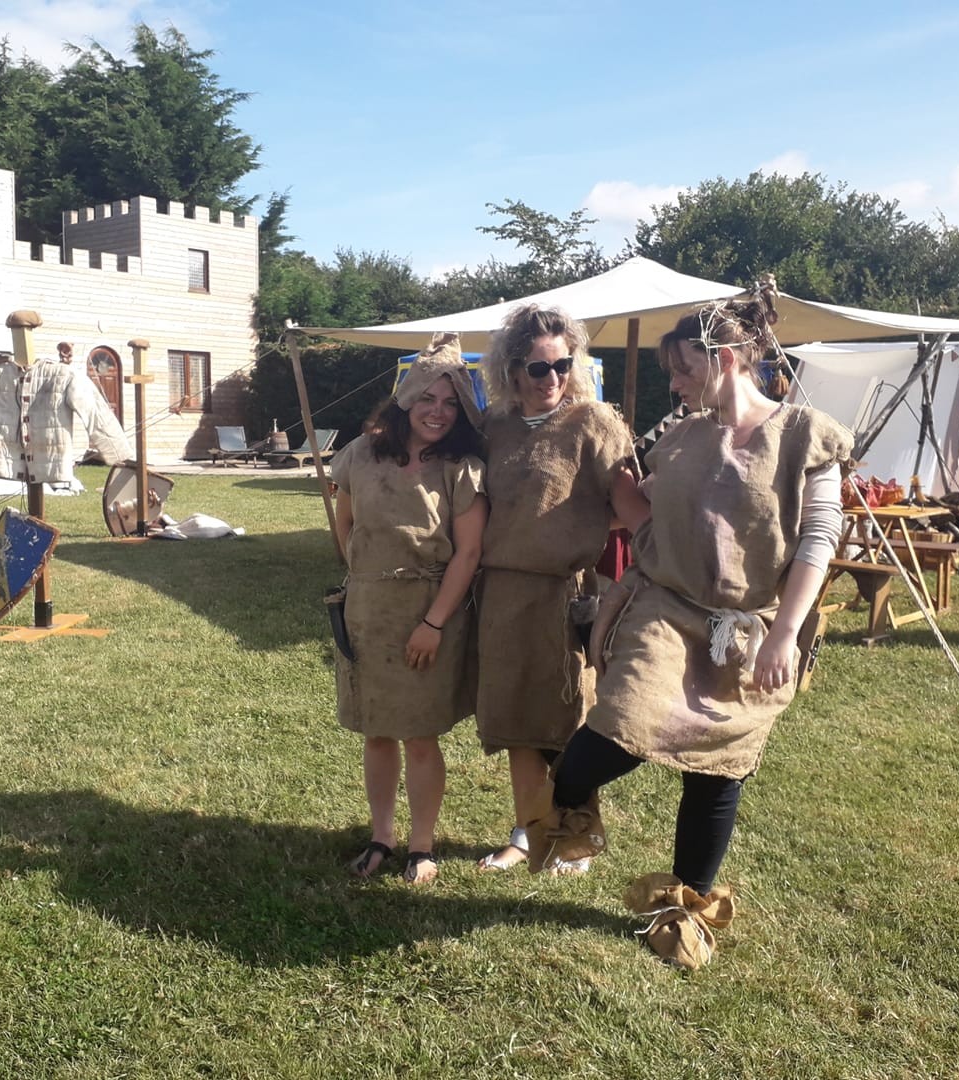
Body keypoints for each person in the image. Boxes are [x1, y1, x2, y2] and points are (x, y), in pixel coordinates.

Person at [528, 283, 853, 967]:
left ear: (727, 357)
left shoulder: (804, 434)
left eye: (683, 367)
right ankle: (571, 815)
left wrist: (788, 633)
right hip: (665, 613)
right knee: (608, 739)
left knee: (717, 773)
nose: (674, 381)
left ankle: (685, 913)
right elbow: (638, 507)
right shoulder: (680, 436)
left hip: (753, 628)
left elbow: (818, 540)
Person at [473, 304, 648, 873]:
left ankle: (574, 832)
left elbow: (632, 511)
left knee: (570, 719)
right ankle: (528, 833)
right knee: (516, 720)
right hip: (501, 593)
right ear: (511, 372)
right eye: (536, 368)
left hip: (566, 594)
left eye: (561, 365)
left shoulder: (596, 423)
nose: (551, 379)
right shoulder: (494, 428)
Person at [330, 334, 488, 885]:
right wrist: (365, 579)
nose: (437, 412)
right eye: (427, 399)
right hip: (368, 610)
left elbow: (468, 553)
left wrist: (432, 622)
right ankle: (382, 836)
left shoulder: (462, 467)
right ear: (406, 400)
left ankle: (422, 845)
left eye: (449, 403)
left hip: (429, 611)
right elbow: (343, 525)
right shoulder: (360, 453)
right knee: (376, 730)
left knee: (420, 735)